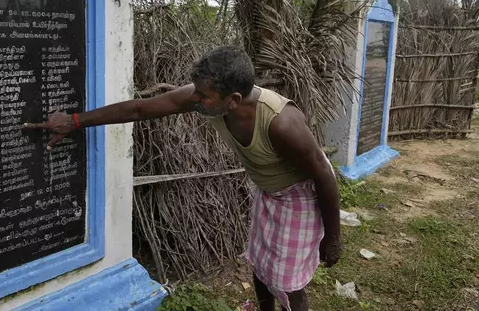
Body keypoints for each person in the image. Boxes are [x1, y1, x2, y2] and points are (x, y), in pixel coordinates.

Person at [24, 46, 341, 311]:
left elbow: (325, 176)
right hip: (269, 190)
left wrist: (332, 237)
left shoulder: (282, 123)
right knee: (260, 263)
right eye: (198, 94)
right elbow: (139, 110)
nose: (196, 101)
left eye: (204, 97)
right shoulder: (211, 97)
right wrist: (75, 121)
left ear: (233, 99)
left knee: (287, 281)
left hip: (301, 194)